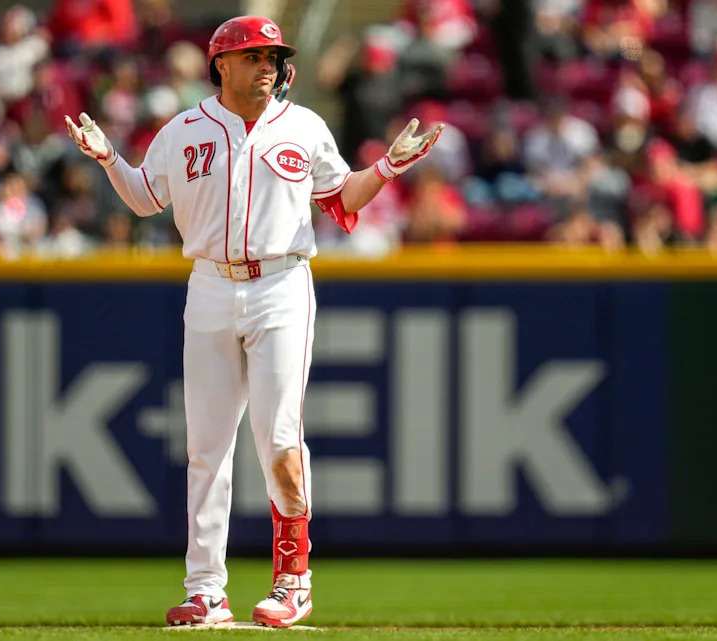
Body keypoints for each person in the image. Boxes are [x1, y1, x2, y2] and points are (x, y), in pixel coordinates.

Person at [64, 15, 443, 628]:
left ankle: (294, 580)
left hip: (281, 283)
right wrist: (108, 157)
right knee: (206, 448)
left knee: (280, 439)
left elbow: (341, 198)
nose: (267, 65)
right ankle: (205, 590)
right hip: (210, 284)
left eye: (273, 57)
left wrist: (388, 169)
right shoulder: (184, 129)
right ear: (221, 64)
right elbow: (143, 198)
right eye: (253, 56)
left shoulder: (304, 125)